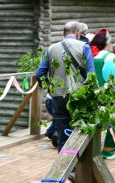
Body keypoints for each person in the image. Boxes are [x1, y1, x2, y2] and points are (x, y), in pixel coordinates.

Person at [35, 21, 93, 156]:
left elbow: (39, 74)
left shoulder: (50, 49)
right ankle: (77, 168)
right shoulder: (84, 47)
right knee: (79, 132)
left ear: (64, 33)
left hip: (57, 97)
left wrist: (50, 88)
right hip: (79, 96)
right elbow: (91, 75)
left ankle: (64, 169)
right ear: (78, 33)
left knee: (63, 134)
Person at [90, 28, 115, 159]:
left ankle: (92, 149)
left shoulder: (91, 55)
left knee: (93, 121)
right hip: (106, 94)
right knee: (109, 121)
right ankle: (108, 151)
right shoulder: (109, 57)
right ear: (107, 42)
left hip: (91, 93)